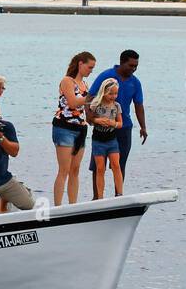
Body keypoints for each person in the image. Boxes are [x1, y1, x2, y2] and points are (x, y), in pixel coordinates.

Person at [89, 49, 147, 180]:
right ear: (122, 62)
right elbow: (90, 96)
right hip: (102, 127)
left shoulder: (135, 83)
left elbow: (139, 105)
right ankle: (97, 198)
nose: (134, 69)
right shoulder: (106, 76)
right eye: (131, 65)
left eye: (136, 66)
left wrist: (143, 127)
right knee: (99, 165)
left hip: (123, 127)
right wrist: (90, 117)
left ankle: (119, 196)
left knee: (120, 165)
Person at [52, 51, 96, 205]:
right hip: (64, 127)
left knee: (75, 169)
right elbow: (72, 102)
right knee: (64, 169)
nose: (91, 71)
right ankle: (58, 206)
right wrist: (91, 97)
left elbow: (87, 107)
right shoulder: (67, 81)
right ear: (80, 64)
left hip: (80, 129)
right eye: (90, 67)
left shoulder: (85, 85)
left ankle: (73, 204)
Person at [86, 78, 123, 198]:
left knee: (116, 165)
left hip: (112, 140)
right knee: (100, 168)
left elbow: (120, 123)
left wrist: (113, 124)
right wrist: (97, 120)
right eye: (110, 93)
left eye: (115, 93)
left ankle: (119, 193)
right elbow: (89, 120)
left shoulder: (116, 106)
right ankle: (100, 196)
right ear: (104, 92)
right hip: (98, 140)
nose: (113, 96)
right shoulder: (96, 104)